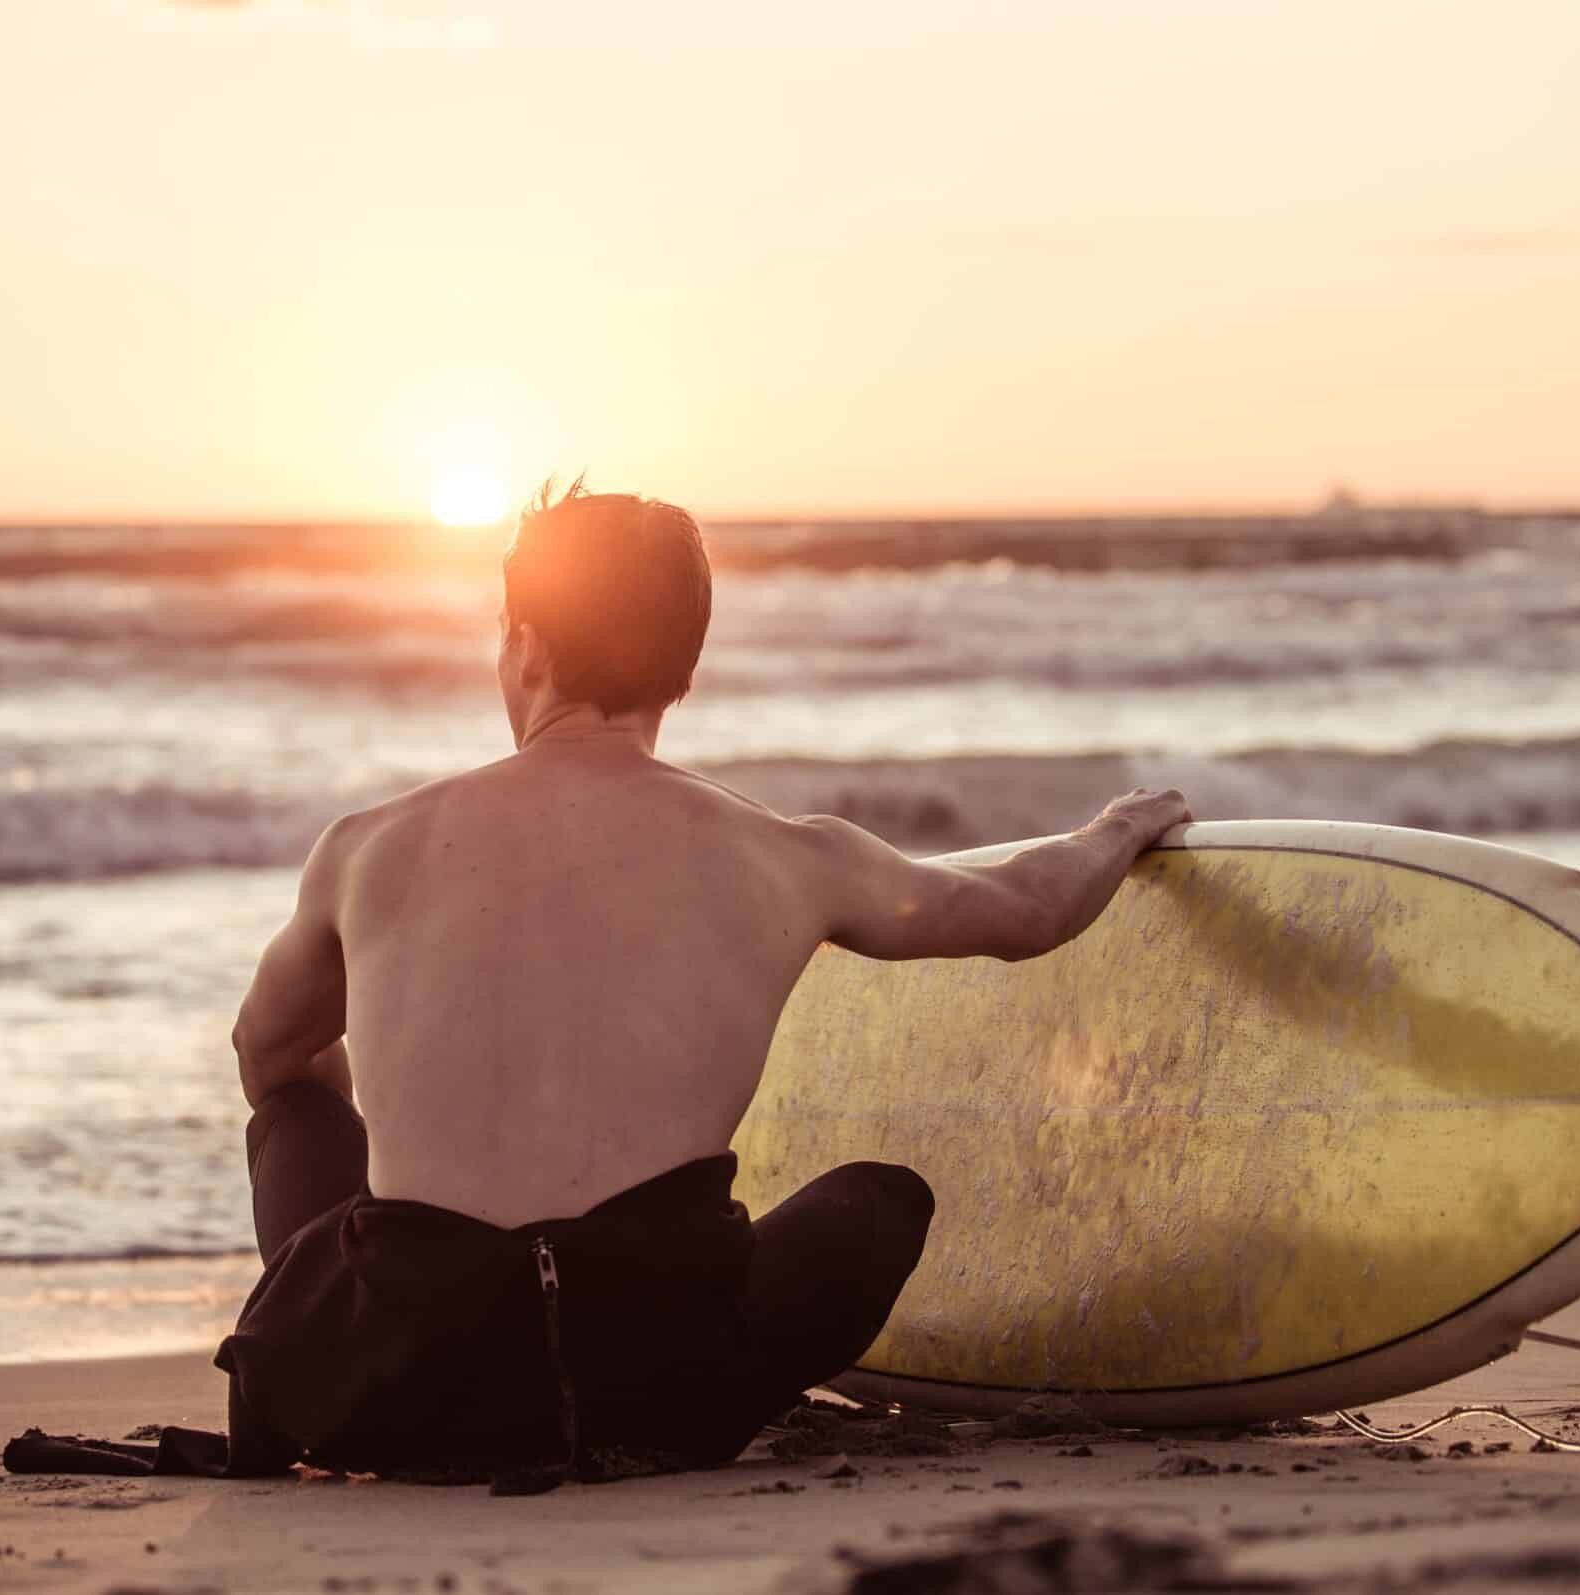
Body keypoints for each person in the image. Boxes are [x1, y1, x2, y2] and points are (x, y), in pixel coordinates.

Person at [213, 481, 1192, 1482]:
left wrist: (374, 1211)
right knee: (879, 1203)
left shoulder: (365, 846)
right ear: (681, 670)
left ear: (529, 646)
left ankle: (351, 1353)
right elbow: (1026, 912)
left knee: (296, 1111)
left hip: (392, 1394)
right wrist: (1119, 824)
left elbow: (268, 1051)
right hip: (655, 1384)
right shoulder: (786, 856)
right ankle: (611, 1417)